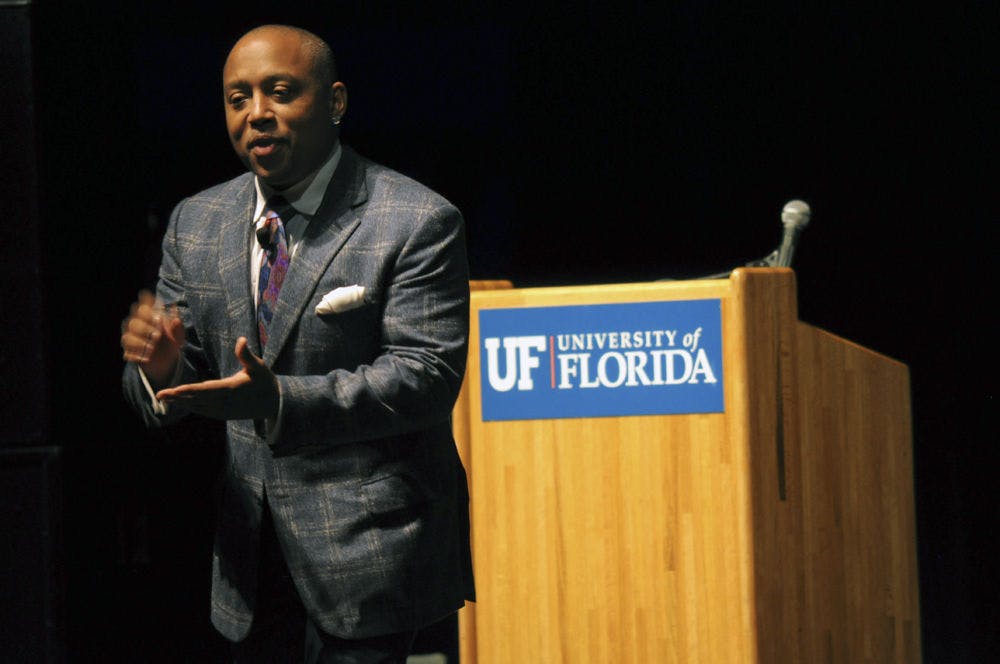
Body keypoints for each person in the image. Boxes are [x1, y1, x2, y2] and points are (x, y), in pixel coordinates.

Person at [120, 24, 474, 663]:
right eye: (237, 98)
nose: (257, 114)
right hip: (248, 567)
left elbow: (424, 378)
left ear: (335, 102)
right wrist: (162, 370)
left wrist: (279, 400)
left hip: (375, 556)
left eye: (279, 92)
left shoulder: (416, 220)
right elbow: (175, 384)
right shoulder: (195, 223)